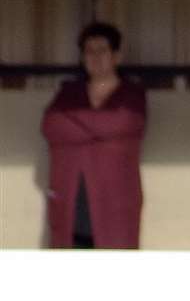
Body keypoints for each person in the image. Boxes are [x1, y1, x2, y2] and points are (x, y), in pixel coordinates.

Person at [41, 21, 146, 249]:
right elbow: (50, 125)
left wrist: (74, 125)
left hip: (115, 202)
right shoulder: (69, 93)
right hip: (71, 200)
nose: (95, 57)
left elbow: (124, 121)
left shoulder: (132, 94)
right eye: (89, 51)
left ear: (116, 56)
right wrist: (101, 132)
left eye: (102, 51)